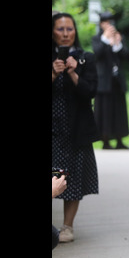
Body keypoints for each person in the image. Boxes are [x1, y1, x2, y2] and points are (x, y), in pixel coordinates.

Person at [52, 12, 100, 243]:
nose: (65, 34)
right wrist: (54, 72)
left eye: (69, 29)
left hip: (75, 129)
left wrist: (72, 71)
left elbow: (90, 91)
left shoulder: (85, 58)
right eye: (60, 29)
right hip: (53, 128)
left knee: (72, 178)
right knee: (53, 176)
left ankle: (67, 227)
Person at [92, 12, 129, 150]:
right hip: (103, 81)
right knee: (104, 111)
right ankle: (105, 140)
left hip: (117, 80)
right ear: (102, 24)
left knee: (119, 110)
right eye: (106, 23)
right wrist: (106, 39)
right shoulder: (97, 38)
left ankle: (120, 139)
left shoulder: (120, 37)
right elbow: (97, 54)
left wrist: (118, 43)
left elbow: (125, 56)